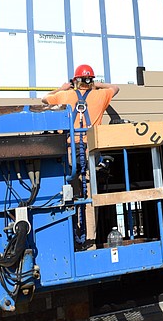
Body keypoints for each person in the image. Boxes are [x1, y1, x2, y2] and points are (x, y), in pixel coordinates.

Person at [41, 64, 119, 249]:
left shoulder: (65, 96)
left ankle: (74, 239)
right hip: (90, 151)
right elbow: (115, 88)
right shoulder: (101, 95)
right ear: (91, 80)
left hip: (70, 151)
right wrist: (97, 85)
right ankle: (89, 242)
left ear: (75, 81)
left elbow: (44, 99)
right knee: (90, 196)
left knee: (71, 194)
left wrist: (62, 88)